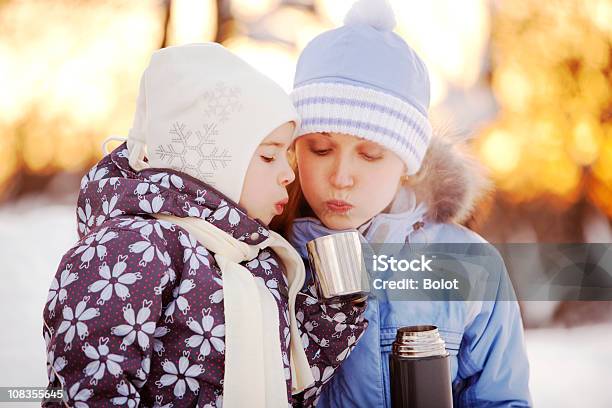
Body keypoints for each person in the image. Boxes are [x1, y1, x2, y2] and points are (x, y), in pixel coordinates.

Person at [42, 43, 367, 408]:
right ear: (217, 159)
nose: (288, 173)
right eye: (268, 154)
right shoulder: (134, 248)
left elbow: (284, 386)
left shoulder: (253, 260)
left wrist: (337, 313)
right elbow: (89, 386)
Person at [274, 0, 532, 406]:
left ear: (407, 165)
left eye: (370, 155)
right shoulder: (266, 256)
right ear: (294, 150)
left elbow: (501, 399)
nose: (341, 177)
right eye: (320, 149)